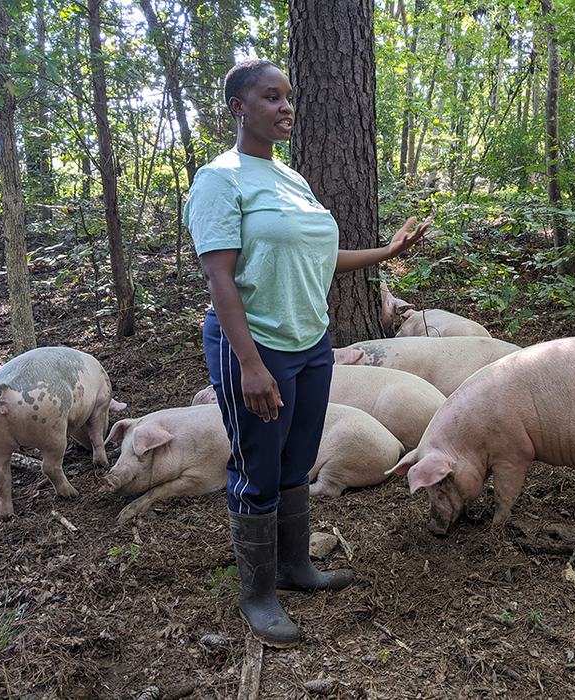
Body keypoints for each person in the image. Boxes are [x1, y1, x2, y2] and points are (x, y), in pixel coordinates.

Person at [183, 59, 429, 649]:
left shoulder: (291, 180)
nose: (285, 107)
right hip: (254, 346)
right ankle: (258, 595)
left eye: (289, 97)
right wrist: (248, 365)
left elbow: (319, 258)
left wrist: (385, 252)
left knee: (296, 462)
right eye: (271, 97)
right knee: (255, 470)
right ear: (239, 107)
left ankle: (296, 567)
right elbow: (219, 276)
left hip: (311, 344)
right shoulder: (221, 179)